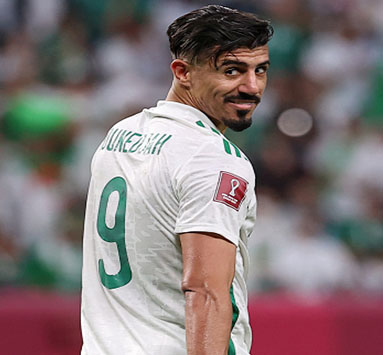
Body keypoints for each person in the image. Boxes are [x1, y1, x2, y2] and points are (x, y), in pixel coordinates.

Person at [80, 5, 272, 355]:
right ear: (182, 72)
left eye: (260, 70)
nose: (251, 86)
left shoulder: (119, 135)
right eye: (232, 71)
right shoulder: (215, 159)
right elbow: (205, 290)